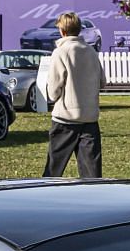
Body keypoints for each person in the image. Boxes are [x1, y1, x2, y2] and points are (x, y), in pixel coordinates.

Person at [40, 11, 105, 177]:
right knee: (92, 174)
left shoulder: (60, 52)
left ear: (62, 31)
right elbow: (102, 82)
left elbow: (54, 90)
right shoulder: (91, 52)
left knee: (53, 170)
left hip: (65, 119)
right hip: (89, 118)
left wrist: (53, 96)